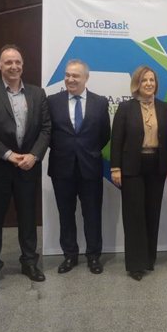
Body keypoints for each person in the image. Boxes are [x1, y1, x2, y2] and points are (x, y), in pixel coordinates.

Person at [0, 44, 51, 290]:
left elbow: (46, 129)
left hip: (28, 167)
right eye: (8, 62)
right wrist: (7, 155)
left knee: (28, 218)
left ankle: (29, 262)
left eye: (17, 62)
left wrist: (34, 156)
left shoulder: (38, 94)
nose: (14, 66)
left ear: (23, 65)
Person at [110, 66, 167, 281]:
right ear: (137, 83)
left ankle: (149, 259)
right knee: (134, 216)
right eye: (144, 80)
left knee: (152, 213)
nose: (149, 83)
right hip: (131, 168)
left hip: (157, 165)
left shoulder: (165, 108)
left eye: (152, 80)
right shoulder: (125, 108)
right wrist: (116, 167)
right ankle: (135, 264)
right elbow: (117, 139)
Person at [47, 59, 110, 275]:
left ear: (86, 78)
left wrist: (88, 152)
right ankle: (70, 256)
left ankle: (93, 256)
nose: (70, 79)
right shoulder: (52, 101)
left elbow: (104, 135)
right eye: (67, 75)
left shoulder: (100, 102)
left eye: (75, 76)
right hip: (61, 167)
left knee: (92, 214)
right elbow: (48, 133)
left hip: (90, 167)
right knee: (66, 214)